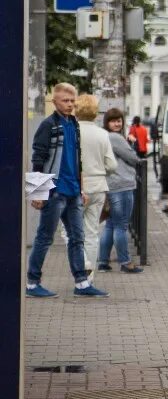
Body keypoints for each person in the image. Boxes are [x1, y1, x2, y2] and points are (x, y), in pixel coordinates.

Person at [27, 83, 108, 298]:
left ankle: (82, 283)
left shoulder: (74, 124)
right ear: (55, 102)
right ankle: (32, 284)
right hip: (54, 191)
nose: (70, 104)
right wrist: (37, 193)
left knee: (77, 238)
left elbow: (77, 160)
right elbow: (38, 158)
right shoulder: (48, 125)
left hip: (73, 192)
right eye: (65, 100)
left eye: (72, 101)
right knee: (45, 237)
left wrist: (81, 188)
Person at [74, 94, 117, 278]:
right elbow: (112, 165)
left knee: (69, 232)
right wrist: (101, 170)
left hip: (77, 187)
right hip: (99, 187)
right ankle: (89, 278)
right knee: (92, 233)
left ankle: (83, 263)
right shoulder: (103, 134)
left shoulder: (72, 131)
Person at [98, 108, 144, 274]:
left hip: (111, 184)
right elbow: (133, 158)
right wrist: (132, 144)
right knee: (121, 226)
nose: (117, 123)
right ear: (107, 123)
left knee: (110, 225)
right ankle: (125, 262)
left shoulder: (104, 137)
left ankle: (103, 262)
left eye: (119, 120)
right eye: (113, 121)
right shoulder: (115, 137)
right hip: (122, 184)